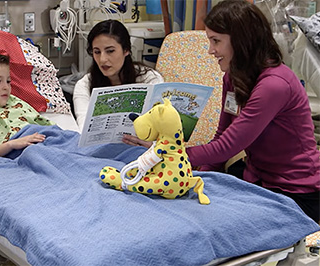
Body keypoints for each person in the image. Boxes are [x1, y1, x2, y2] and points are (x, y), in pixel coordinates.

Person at [123, 0, 320, 223]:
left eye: (216, 41)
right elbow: (221, 136)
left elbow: (228, 147)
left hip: (296, 191)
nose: (210, 50)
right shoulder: (233, 77)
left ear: (241, 41)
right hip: (257, 177)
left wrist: (166, 152)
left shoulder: (274, 85)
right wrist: (199, 177)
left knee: (224, 223)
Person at [73, 19, 164, 130]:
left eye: (110, 51)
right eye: (97, 52)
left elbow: (160, 125)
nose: (102, 59)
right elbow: (84, 127)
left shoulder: (150, 79)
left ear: (126, 50)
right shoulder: (84, 85)